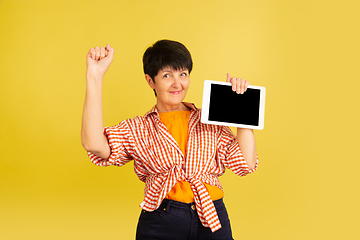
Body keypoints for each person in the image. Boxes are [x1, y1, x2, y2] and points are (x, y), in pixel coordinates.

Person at [81, 40, 258, 240]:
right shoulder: (138, 128)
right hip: (162, 220)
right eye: (167, 76)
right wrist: (94, 76)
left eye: (183, 74)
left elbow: (246, 164)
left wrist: (243, 105)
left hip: (212, 217)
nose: (177, 84)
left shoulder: (209, 121)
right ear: (150, 81)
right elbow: (94, 144)